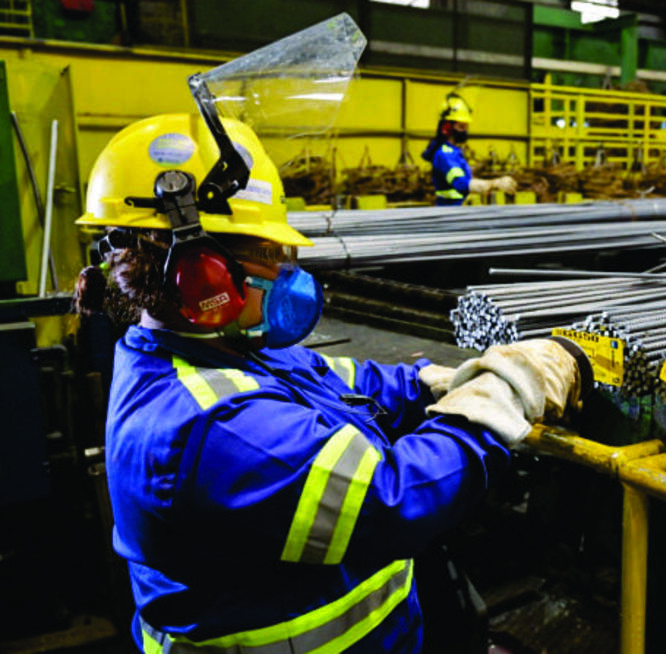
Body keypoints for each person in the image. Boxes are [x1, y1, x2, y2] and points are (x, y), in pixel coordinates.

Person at [73, 113, 589, 653]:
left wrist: (436, 384)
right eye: (270, 255)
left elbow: (349, 383)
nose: (288, 274)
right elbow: (394, 498)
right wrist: (507, 391)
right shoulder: (209, 428)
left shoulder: (222, 353)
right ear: (203, 273)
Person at [421, 93, 517, 206]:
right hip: (451, 214)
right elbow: (461, 184)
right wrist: (494, 183)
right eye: (461, 127)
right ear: (447, 127)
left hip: (459, 212)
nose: (465, 131)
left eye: (466, 127)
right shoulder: (445, 154)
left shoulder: (455, 152)